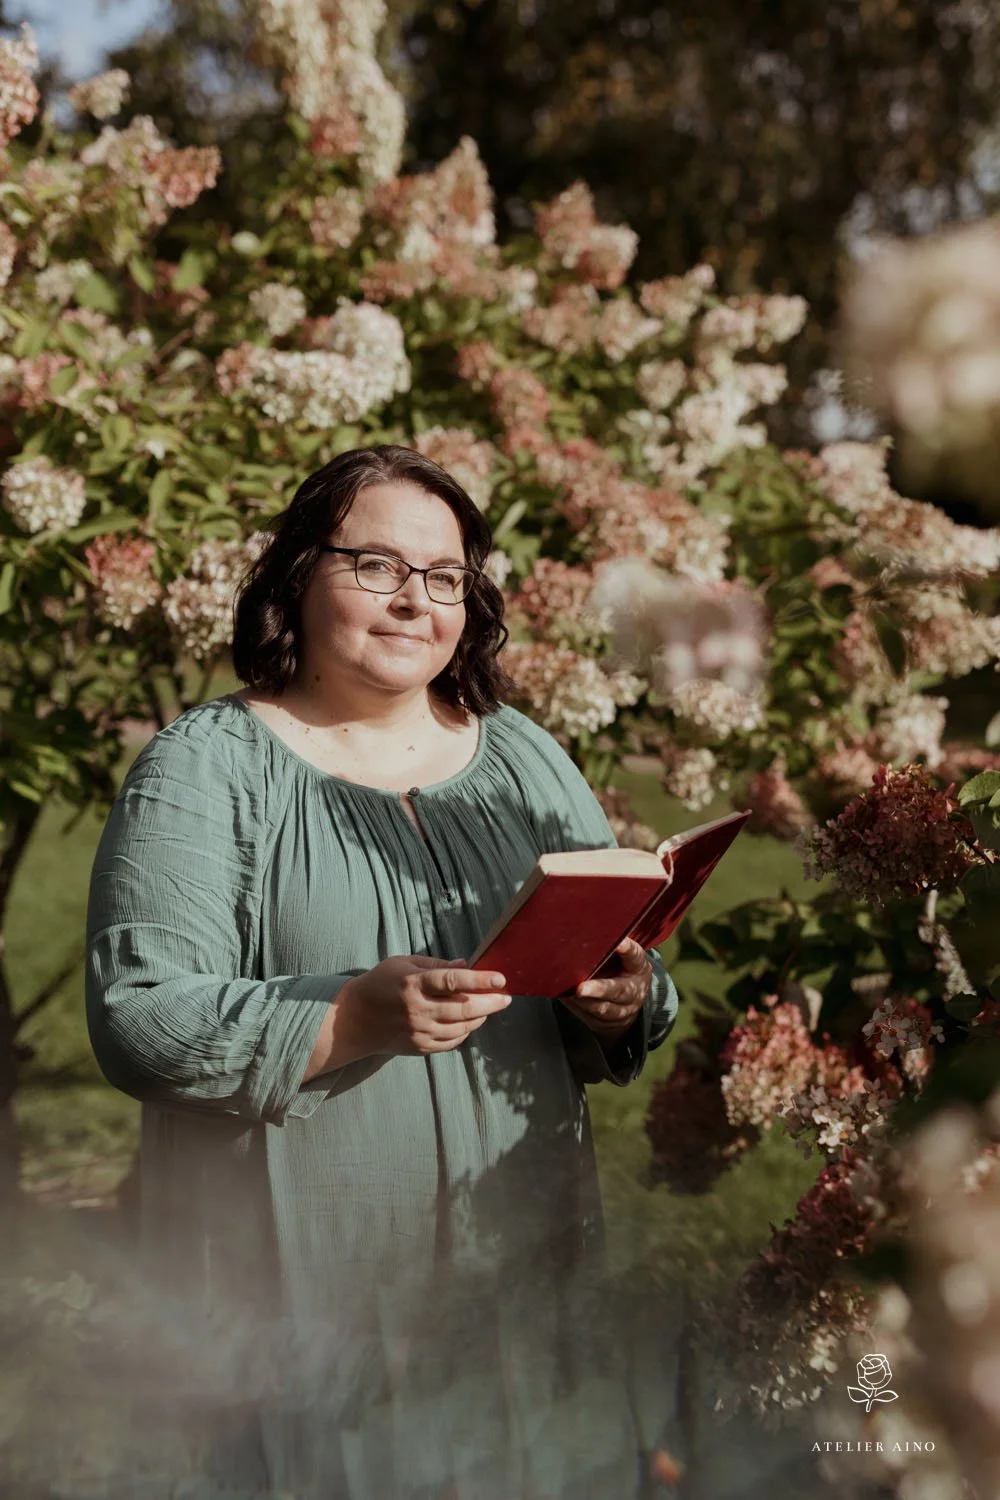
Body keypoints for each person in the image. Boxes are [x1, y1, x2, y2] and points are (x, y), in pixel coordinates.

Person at [85, 444, 679, 1500]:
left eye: (445, 578)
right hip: (305, 1296)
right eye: (376, 566)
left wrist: (624, 998)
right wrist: (346, 1019)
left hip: (519, 1274)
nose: (415, 601)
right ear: (297, 577)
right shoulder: (206, 766)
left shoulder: (526, 756)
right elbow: (140, 1015)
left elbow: (619, 961)